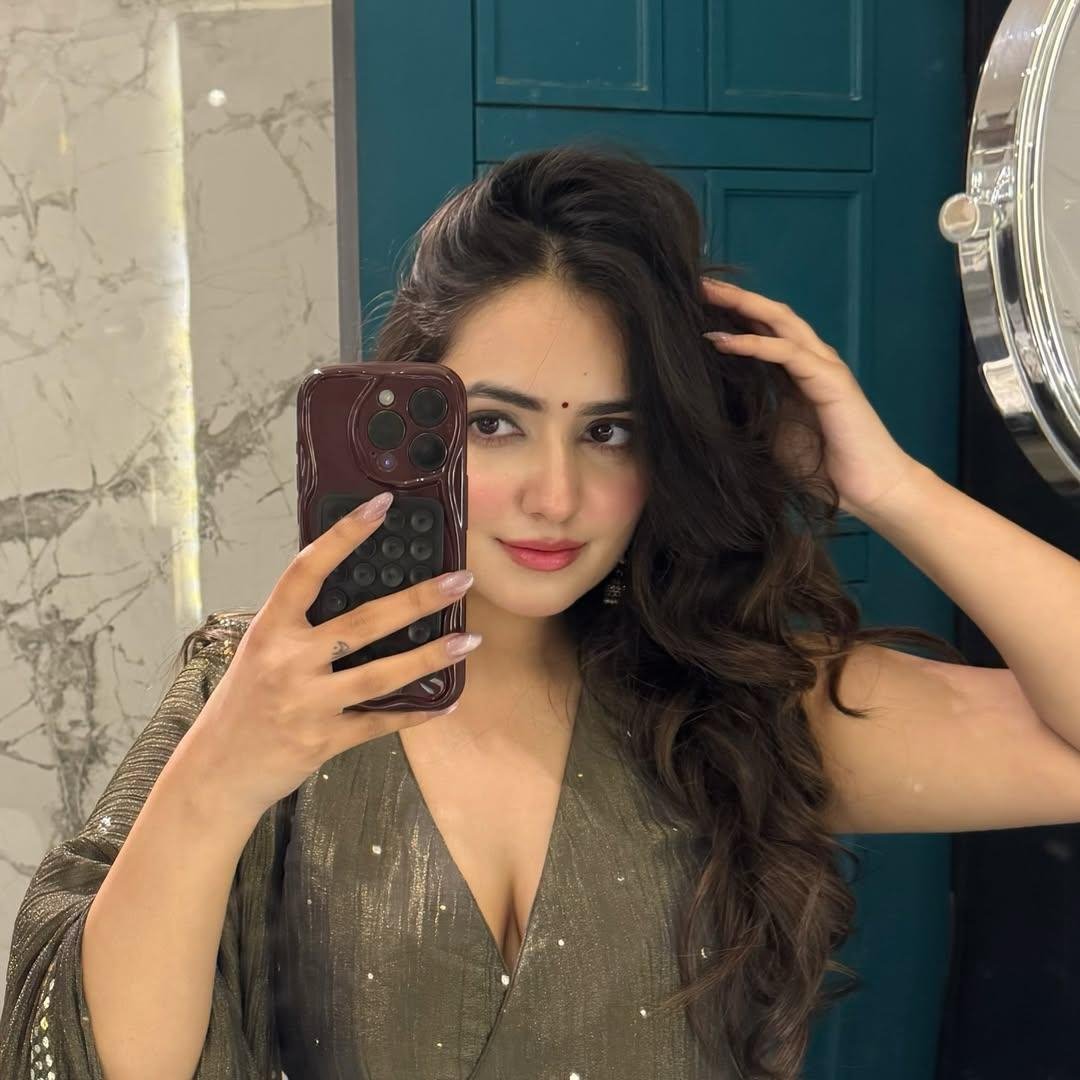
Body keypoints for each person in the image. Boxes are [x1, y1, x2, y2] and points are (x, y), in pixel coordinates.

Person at [0, 142, 967, 1080]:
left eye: (610, 431)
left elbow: (1052, 743)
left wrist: (887, 485)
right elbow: (96, 1060)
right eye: (496, 424)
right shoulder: (258, 693)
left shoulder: (736, 700)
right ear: (416, 422)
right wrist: (220, 778)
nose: (556, 495)